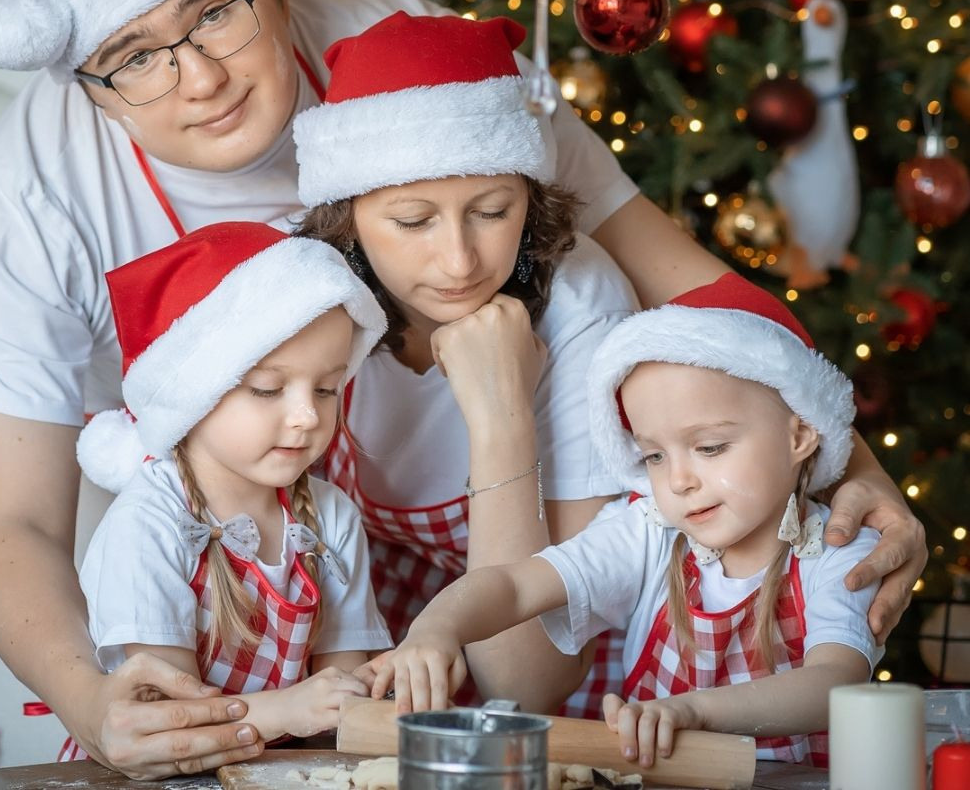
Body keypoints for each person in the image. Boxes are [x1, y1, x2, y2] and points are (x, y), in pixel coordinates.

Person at [0, 0, 922, 776]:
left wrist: (847, 458)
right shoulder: (25, 202)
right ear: (87, 86)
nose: (197, 76)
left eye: (214, 10)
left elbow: (684, 277)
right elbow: (15, 520)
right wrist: (90, 699)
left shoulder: (427, 69)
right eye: (136, 57)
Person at [365, 274, 882, 770]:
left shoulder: (838, 552)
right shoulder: (651, 534)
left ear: (799, 436)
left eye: (709, 447)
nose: (679, 480)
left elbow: (835, 681)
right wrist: (437, 629)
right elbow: (514, 586)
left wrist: (694, 712)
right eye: (654, 456)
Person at [294, 10, 640, 717]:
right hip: (358, 664)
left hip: (553, 694)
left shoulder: (583, 304)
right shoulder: (300, 299)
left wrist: (501, 416)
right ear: (346, 218)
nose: (459, 262)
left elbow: (529, 682)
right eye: (414, 221)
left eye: (491, 210)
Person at [73, 221, 392, 760]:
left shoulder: (329, 517)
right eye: (268, 389)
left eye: (327, 388)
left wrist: (358, 701)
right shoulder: (147, 525)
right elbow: (165, 722)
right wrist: (289, 709)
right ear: (194, 394)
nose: (307, 415)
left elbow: (341, 699)